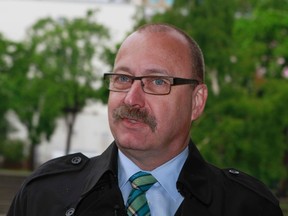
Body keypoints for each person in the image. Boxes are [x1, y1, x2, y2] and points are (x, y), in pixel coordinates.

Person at [7, 23, 283, 216]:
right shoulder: (44, 196)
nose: (131, 99)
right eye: (123, 78)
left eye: (157, 81)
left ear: (196, 102)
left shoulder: (248, 207)